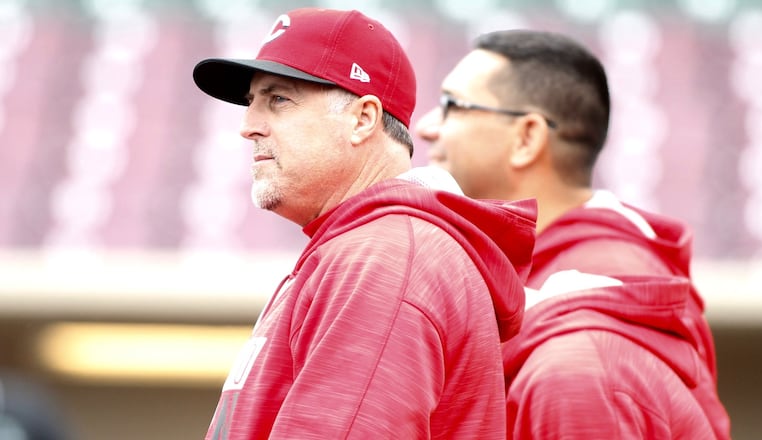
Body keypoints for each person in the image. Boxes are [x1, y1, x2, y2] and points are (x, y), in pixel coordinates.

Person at [192, 8, 538, 439]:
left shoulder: (385, 257)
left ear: (362, 119)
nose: (248, 127)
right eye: (251, 102)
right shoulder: (367, 246)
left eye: (278, 99)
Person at [415, 30, 731, 439]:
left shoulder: (584, 349)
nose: (425, 127)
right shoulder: (550, 270)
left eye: (451, 106)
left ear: (527, 138)